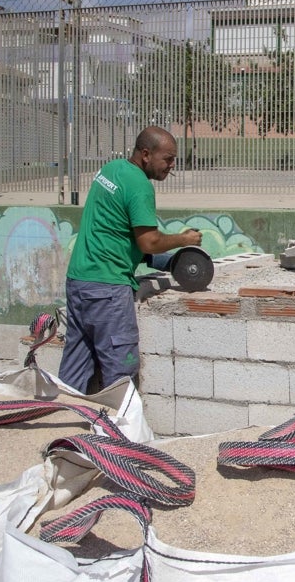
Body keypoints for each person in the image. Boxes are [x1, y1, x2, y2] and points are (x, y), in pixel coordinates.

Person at [59, 126, 202, 393]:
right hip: (107, 290)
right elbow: (149, 241)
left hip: (79, 282)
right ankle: (120, 430)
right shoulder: (139, 185)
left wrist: (167, 262)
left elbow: (115, 230)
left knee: (74, 371)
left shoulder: (110, 170)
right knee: (120, 374)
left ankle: (65, 424)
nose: (172, 165)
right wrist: (184, 240)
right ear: (146, 154)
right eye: (168, 158)